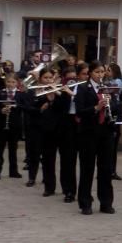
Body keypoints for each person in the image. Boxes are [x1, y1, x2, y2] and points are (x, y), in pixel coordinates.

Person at [73, 62, 115, 215]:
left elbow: (116, 106)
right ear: (90, 73)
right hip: (88, 132)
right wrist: (96, 108)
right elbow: (79, 111)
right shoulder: (83, 88)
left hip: (105, 132)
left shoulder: (108, 87)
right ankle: (85, 203)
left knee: (106, 168)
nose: (100, 75)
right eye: (97, 72)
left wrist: (111, 104)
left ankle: (106, 202)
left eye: (102, 72)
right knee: (87, 168)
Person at [22, 68, 59, 195]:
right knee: (34, 154)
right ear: (40, 79)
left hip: (50, 129)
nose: (48, 80)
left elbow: (61, 109)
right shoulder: (32, 91)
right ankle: (32, 177)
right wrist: (39, 109)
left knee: (49, 158)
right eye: (45, 78)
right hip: (35, 127)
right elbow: (26, 107)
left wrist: (53, 99)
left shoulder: (56, 92)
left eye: (50, 78)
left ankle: (49, 185)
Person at [0, 73, 24, 180]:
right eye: (8, 82)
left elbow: (25, 107)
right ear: (5, 82)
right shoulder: (0, 93)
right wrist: (1, 110)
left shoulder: (20, 94)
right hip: (1, 125)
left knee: (13, 149)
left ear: (17, 83)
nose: (10, 84)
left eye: (13, 82)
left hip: (14, 125)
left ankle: (13, 171)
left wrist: (16, 105)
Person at [54, 71, 79, 203]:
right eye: (68, 77)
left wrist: (72, 94)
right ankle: (68, 190)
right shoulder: (63, 89)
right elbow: (58, 108)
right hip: (67, 125)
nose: (72, 80)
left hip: (81, 124)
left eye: (74, 77)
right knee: (67, 160)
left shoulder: (84, 89)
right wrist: (56, 91)